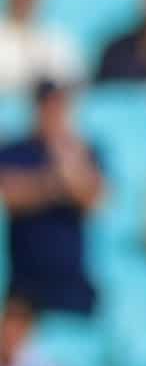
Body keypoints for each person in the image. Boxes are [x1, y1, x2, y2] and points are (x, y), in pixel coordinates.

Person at [0, 81, 102, 315]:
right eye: (48, 108)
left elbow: (95, 200)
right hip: (25, 278)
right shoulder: (14, 151)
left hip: (70, 279)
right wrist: (55, 184)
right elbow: (9, 194)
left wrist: (67, 163)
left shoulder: (82, 151)